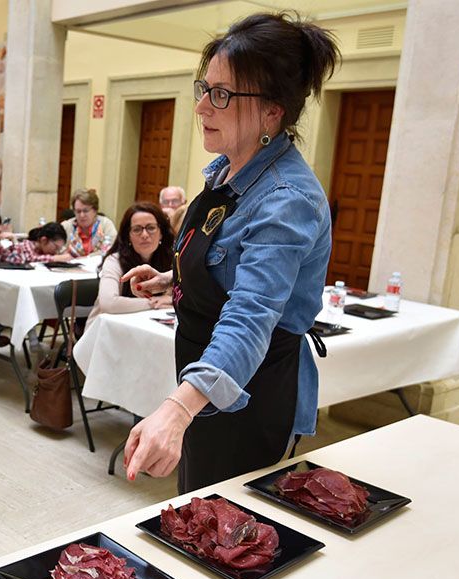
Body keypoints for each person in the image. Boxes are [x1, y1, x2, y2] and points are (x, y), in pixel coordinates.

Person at [120, 12, 338, 493]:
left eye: (221, 95)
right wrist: (175, 280)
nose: (201, 107)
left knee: (227, 537)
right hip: (206, 383)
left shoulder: (287, 200)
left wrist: (176, 410)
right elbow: (226, 260)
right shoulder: (227, 171)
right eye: (204, 89)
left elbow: (250, 316)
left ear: (272, 111)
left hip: (248, 395)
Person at [91, 202, 176, 319]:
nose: (145, 235)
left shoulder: (172, 259)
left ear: (161, 233)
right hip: (107, 329)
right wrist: (155, 301)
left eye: (151, 228)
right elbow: (108, 303)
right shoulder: (114, 260)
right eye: (137, 230)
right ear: (128, 236)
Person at [61, 189, 117, 257]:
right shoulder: (66, 226)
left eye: (85, 211)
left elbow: (111, 250)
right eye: (78, 211)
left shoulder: (106, 225)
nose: (82, 215)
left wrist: (86, 258)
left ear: (95, 210)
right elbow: (57, 249)